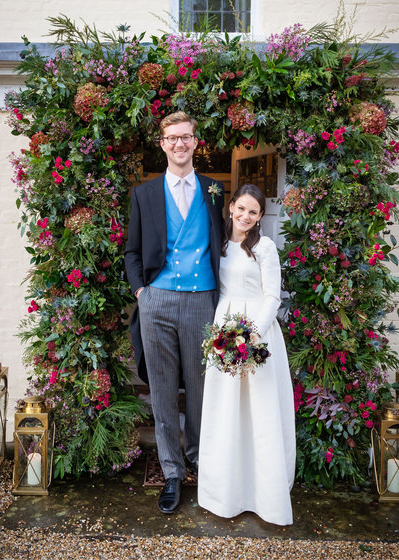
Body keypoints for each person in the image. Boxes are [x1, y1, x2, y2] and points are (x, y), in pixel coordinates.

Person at [125, 111, 225, 514]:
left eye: (186, 137)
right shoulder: (144, 194)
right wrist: (141, 292)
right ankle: (171, 471)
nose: (179, 144)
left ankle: (198, 459)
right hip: (157, 301)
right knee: (163, 389)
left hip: (202, 299)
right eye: (172, 138)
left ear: (195, 142)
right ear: (162, 144)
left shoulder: (215, 190)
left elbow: (228, 243)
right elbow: (132, 251)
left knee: (202, 388)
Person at [197, 183, 296, 526]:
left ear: (259, 217)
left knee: (259, 411)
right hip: (224, 328)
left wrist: (255, 333)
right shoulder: (220, 243)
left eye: (253, 212)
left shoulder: (265, 248)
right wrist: (226, 333)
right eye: (241, 208)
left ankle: (264, 494)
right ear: (231, 208)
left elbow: (273, 295)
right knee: (226, 411)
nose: (245, 216)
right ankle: (224, 490)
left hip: (258, 332)